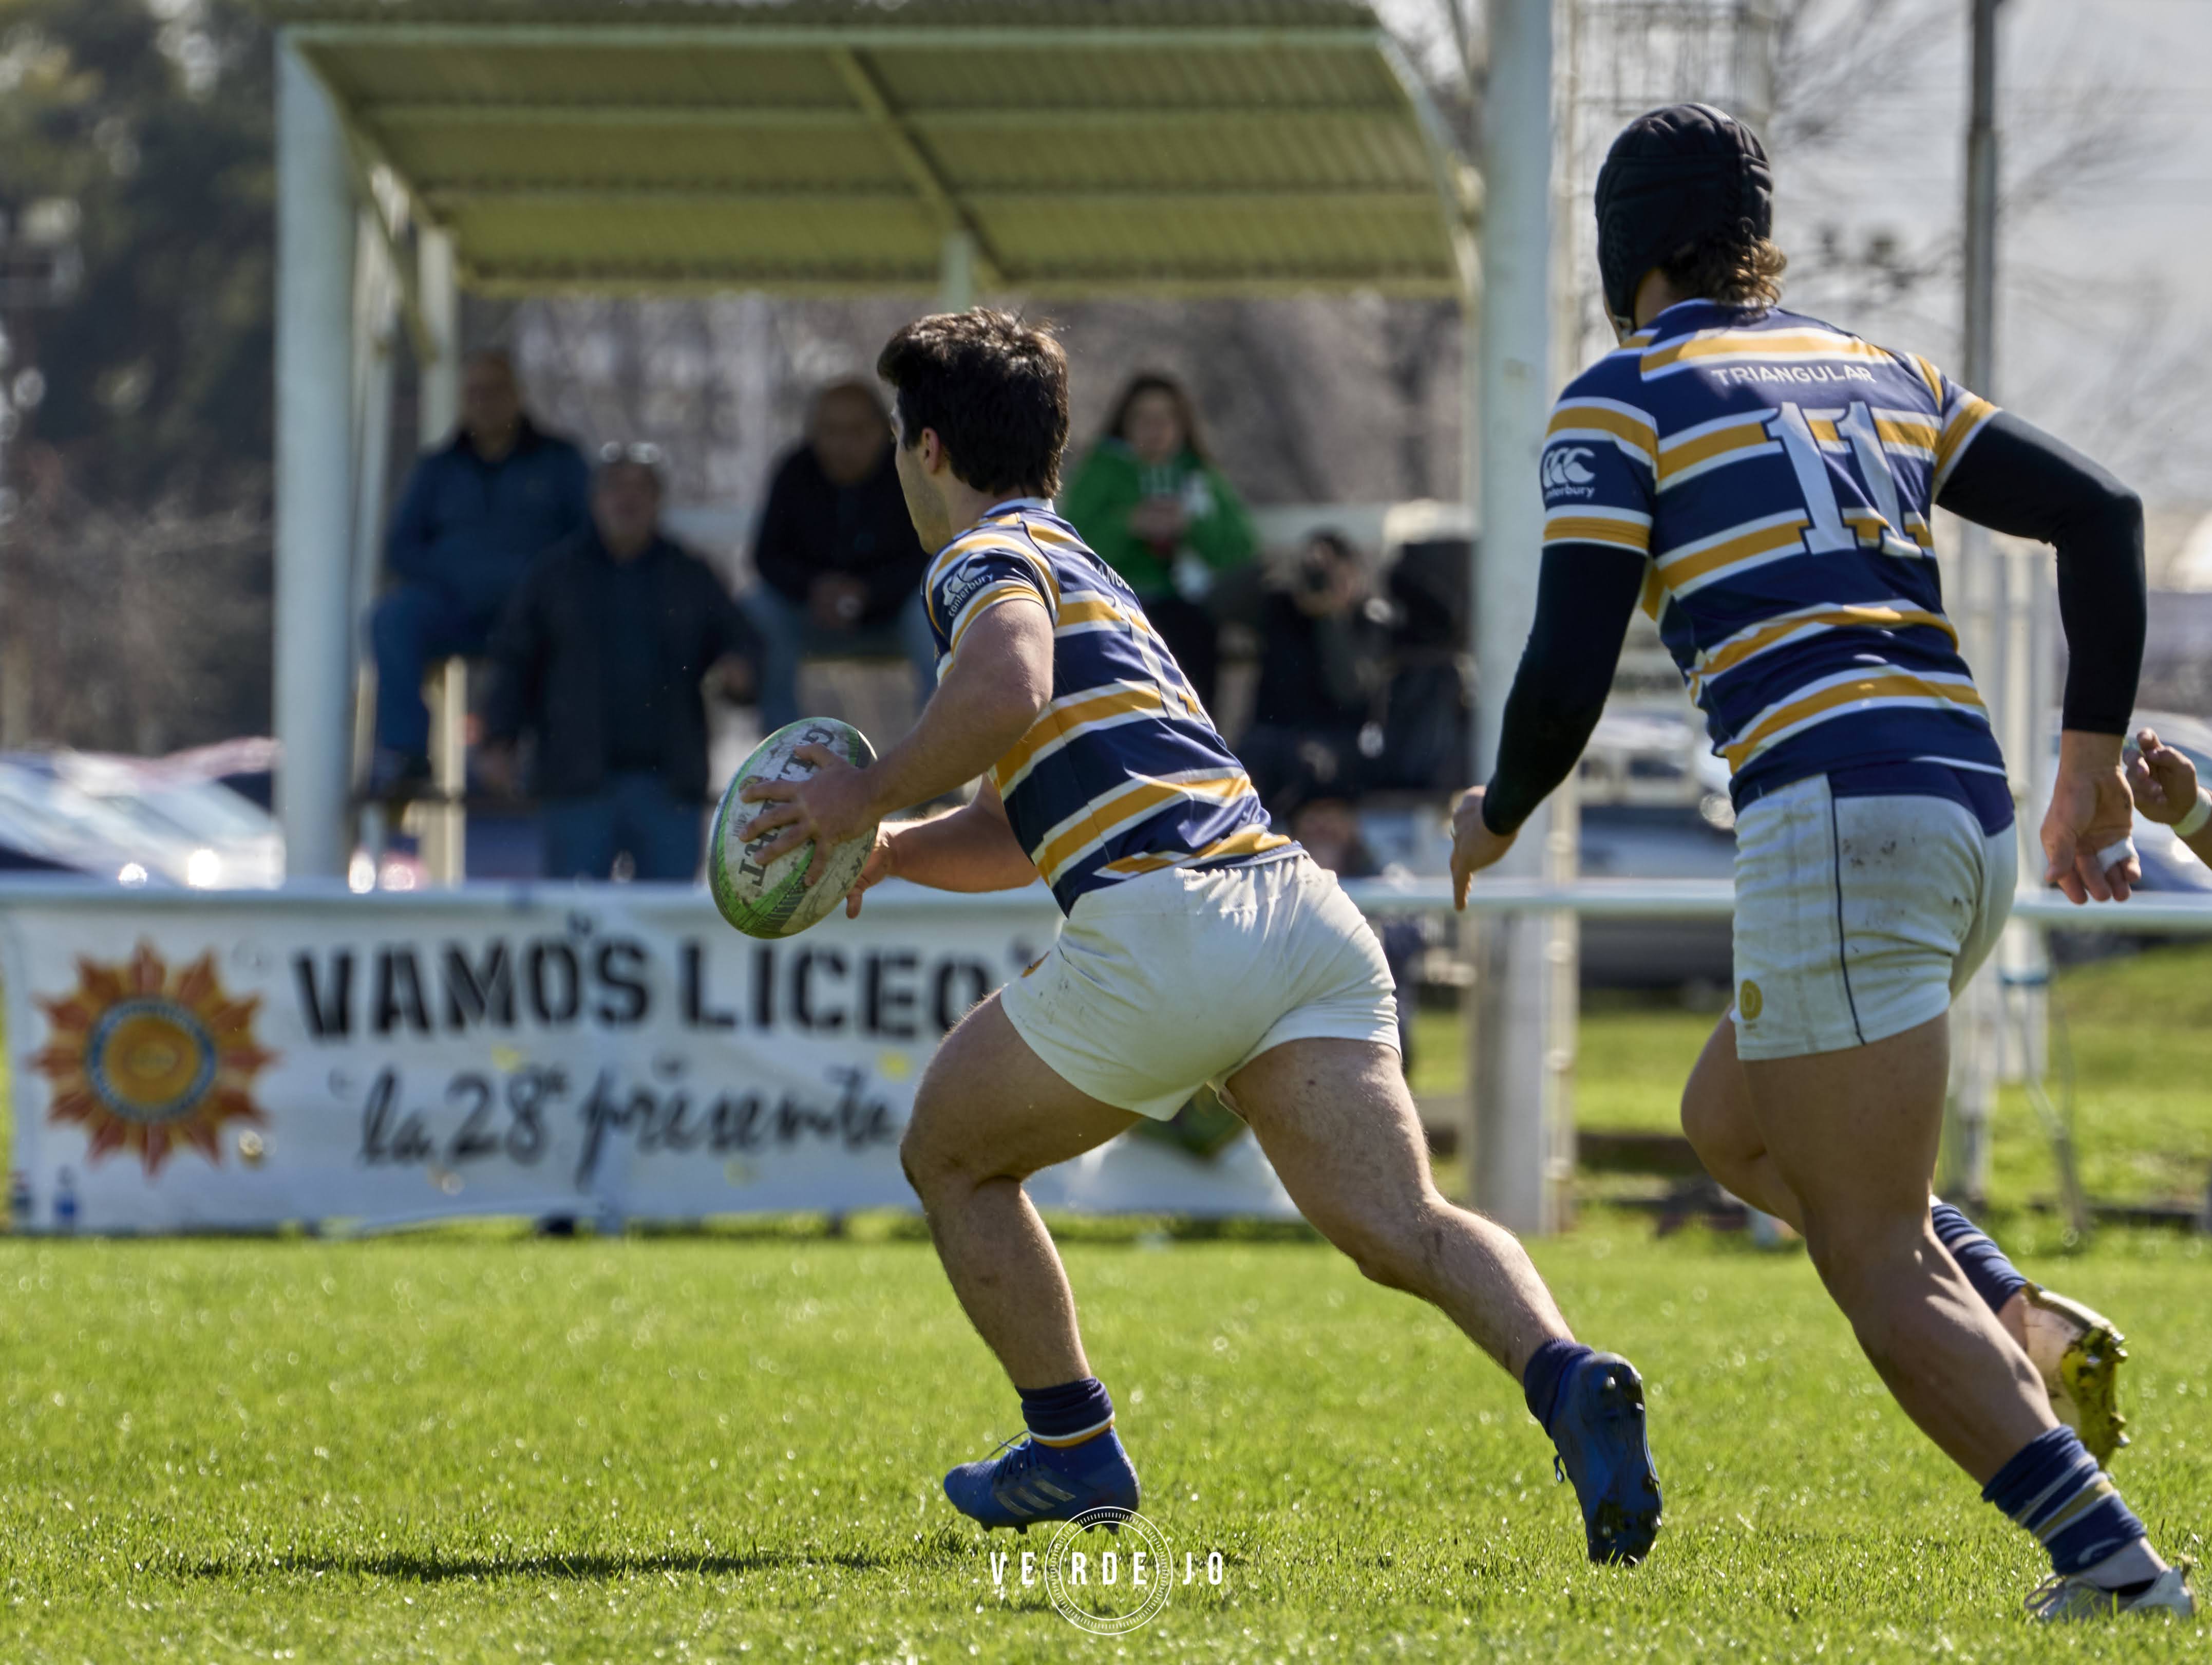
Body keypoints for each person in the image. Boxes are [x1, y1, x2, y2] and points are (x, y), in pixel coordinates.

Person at [739, 310, 1663, 1565]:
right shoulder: (1088, 567)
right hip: (1298, 914)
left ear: (930, 450)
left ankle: (1072, 1449)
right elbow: (1021, 825)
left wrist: (867, 793)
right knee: (1407, 1224)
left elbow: (1003, 689)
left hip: (1171, 928)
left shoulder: (980, 558)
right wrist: (894, 851)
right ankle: (1567, 1377)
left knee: (949, 1156)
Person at [1450, 104, 2187, 1620]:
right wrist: (2086, 777)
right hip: (1963, 816)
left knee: (1863, 1248)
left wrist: (1500, 806)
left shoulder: (1621, 398)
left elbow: (1566, 661)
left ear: (1627, 247)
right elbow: (2101, 515)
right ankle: (2012, 1314)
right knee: (1730, 1117)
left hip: (1838, 823)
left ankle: (2109, 1564)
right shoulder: (1879, 370)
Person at [481, 446, 754, 882]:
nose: (627, 500)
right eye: (615, 487)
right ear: (594, 499)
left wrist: (738, 668)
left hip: (668, 784)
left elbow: (741, 642)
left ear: (657, 500)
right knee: (571, 925)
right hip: (575, 781)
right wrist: (498, 738)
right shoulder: (553, 574)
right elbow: (515, 661)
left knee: (666, 924)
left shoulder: (690, 574)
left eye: (640, 489)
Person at [370, 349, 591, 797]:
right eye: (474, 393)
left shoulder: (559, 462)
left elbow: (590, 541)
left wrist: (539, 582)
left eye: (494, 390)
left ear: (516, 395)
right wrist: (452, 574)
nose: (484, 402)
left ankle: (550, 756)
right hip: (454, 608)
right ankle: (406, 755)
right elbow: (401, 547)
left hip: (535, 614)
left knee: (581, 625)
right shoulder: (438, 468)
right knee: (392, 617)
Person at [742, 380, 937, 734]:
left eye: (858, 430)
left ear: (886, 431)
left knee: (934, 611)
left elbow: (930, 555)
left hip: (891, 616)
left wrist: (869, 592)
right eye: (831, 430)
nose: (845, 443)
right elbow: (766, 555)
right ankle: (783, 751)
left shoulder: (909, 473)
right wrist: (815, 588)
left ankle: (940, 754)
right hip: (810, 613)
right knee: (759, 609)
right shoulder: (795, 470)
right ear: (813, 433)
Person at [1059, 372, 1257, 713]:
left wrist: (1190, 525)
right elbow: (1068, 543)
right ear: (1125, 423)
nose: (1155, 429)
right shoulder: (1102, 470)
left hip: (1187, 610)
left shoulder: (1198, 473)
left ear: (1182, 425)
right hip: (1114, 607)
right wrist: (1129, 524)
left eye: (1165, 418)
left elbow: (1241, 547)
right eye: (1143, 418)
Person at [1237, 531, 1390, 815]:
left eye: (1338, 577)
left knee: (1306, 765)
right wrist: (1268, 568)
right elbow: (1216, 605)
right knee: (1243, 768)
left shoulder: (1369, 621)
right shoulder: (1280, 607)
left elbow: (1348, 688)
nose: (1326, 584)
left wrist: (1331, 617)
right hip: (1271, 736)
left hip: (1335, 741)